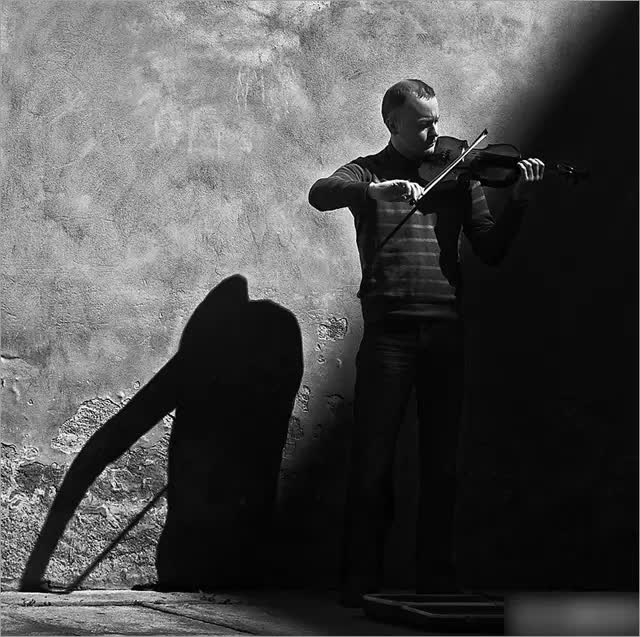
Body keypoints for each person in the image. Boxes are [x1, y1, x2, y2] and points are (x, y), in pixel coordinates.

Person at [308, 79, 544, 606]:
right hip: (389, 334)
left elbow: (490, 249)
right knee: (372, 461)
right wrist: (373, 192)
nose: (436, 133)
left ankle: (436, 576)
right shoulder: (368, 171)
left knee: (442, 464)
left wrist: (519, 201)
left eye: (436, 121)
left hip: (445, 330)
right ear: (392, 124)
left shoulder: (459, 174)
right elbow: (320, 192)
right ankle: (360, 579)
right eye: (422, 124)